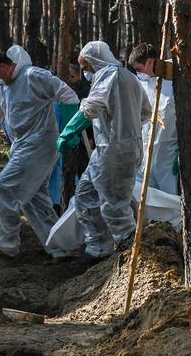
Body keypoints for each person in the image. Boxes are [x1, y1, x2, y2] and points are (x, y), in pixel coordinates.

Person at [0, 45, 79, 258]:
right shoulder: (4, 88)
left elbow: (68, 95)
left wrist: (69, 129)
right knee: (34, 199)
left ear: (5, 66)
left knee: (5, 185)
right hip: (22, 146)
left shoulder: (33, 76)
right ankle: (60, 247)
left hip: (39, 144)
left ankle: (5, 243)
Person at [57, 41, 152, 258]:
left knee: (114, 205)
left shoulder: (109, 76)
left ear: (95, 61)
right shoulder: (130, 78)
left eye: (87, 67)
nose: (86, 73)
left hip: (114, 151)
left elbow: (90, 107)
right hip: (114, 148)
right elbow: (146, 112)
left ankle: (130, 252)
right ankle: (98, 248)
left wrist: (68, 132)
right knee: (85, 195)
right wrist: (126, 124)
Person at [128, 42, 178, 195]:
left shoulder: (174, 79)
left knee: (169, 196)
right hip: (146, 150)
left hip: (168, 152)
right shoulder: (143, 85)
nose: (138, 73)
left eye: (139, 69)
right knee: (146, 194)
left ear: (149, 62)